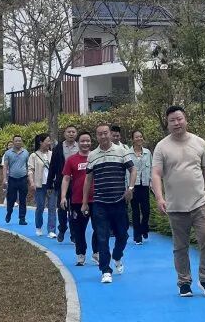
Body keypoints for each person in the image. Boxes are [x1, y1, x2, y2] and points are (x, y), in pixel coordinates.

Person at [152, 104, 205, 298]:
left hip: (200, 203)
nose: (176, 123)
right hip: (175, 206)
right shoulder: (162, 146)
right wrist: (159, 197)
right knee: (180, 247)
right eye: (172, 120)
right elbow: (156, 174)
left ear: (186, 120)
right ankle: (184, 282)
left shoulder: (199, 142)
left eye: (179, 119)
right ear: (167, 123)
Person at [84, 120, 135, 285]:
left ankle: (117, 255)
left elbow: (133, 169)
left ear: (110, 134)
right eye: (100, 134)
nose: (103, 136)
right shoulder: (92, 155)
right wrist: (85, 202)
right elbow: (88, 179)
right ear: (96, 136)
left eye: (106, 133)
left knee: (123, 235)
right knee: (102, 237)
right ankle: (105, 270)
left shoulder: (122, 151)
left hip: (119, 201)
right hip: (100, 203)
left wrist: (130, 188)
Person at [59, 132, 93, 266]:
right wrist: (63, 196)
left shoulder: (96, 157)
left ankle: (96, 252)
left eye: (88, 141)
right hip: (77, 200)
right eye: (82, 141)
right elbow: (66, 178)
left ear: (91, 142)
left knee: (100, 228)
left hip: (96, 200)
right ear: (78, 143)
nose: (85, 143)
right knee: (79, 229)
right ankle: (80, 254)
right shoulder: (71, 160)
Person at [48, 125, 80, 243]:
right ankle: (62, 228)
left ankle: (74, 233)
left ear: (76, 134)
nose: (71, 134)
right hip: (62, 183)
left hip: (76, 184)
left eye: (73, 132)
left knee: (75, 209)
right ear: (64, 134)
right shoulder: (58, 148)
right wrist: (49, 183)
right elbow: (52, 166)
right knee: (62, 208)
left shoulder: (80, 147)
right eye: (69, 132)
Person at [29, 134, 56, 237]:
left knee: (52, 207)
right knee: (40, 207)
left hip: (51, 185)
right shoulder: (34, 156)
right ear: (41, 142)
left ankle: (51, 230)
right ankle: (39, 226)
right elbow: (30, 170)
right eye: (47, 141)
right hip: (40, 185)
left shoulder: (52, 154)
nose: (49, 143)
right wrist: (32, 182)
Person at [130, 129, 152, 244]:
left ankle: (144, 228)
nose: (139, 138)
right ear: (133, 139)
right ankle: (137, 236)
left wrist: (152, 184)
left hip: (145, 185)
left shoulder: (147, 153)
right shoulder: (128, 154)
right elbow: (126, 171)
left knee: (146, 210)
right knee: (135, 212)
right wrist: (128, 187)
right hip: (133, 186)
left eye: (140, 136)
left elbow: (152, 168)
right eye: (136, 137)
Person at [2, 134, 30, 225]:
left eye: (19, 141)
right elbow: (5, 166)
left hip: (23, 179)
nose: (18, 142)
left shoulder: (26, 152)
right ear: (13, 142)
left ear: (22, 142)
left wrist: (29, 177)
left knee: (23, 199)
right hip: (12, 179)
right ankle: (9, 213)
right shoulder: (8, 153)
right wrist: (4, 178)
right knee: (11, 199)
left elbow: (28, 166)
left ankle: (22, 218)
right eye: (16, 141)